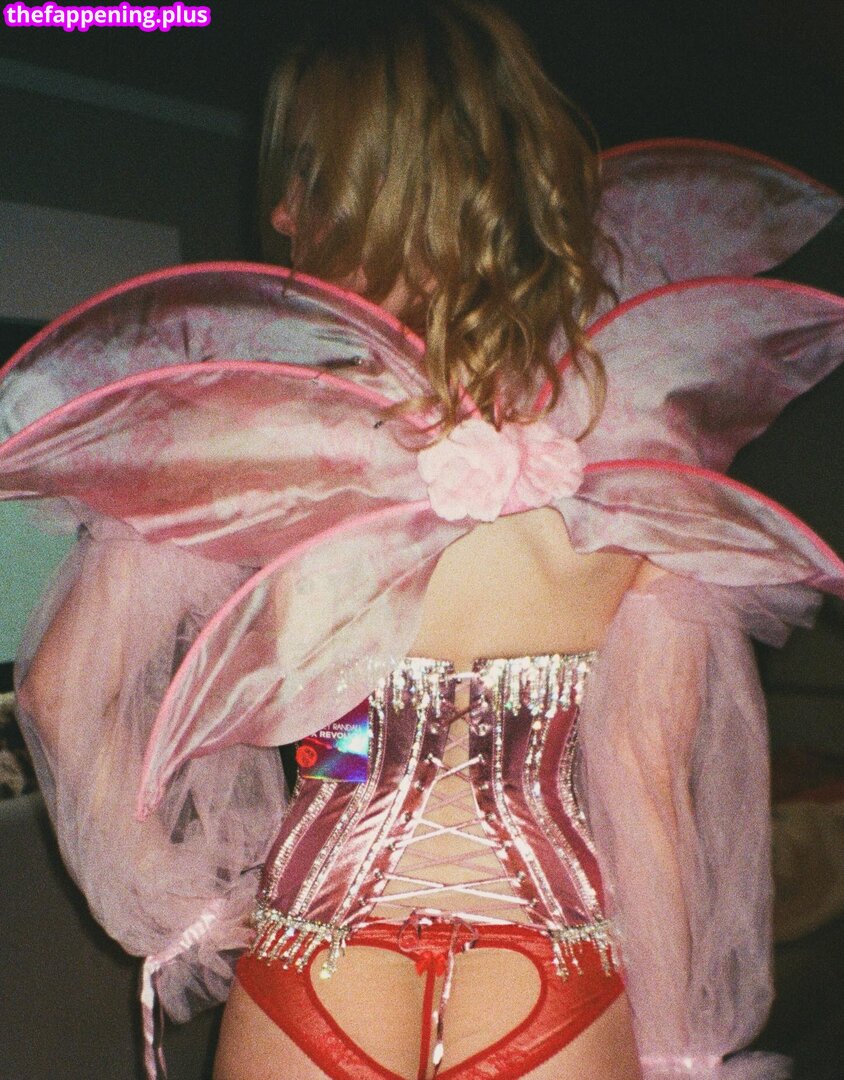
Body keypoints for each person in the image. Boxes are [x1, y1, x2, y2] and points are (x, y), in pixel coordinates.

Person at [2, 2, 842, 1079]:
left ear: (352, 194)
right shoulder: (642, 436)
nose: (278, 209)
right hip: (559, 967)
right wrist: (679, 1045)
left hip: (317, 957)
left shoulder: (245, 435)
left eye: (300, 177)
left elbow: (59, 695)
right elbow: (646, 774)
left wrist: (185, 910)